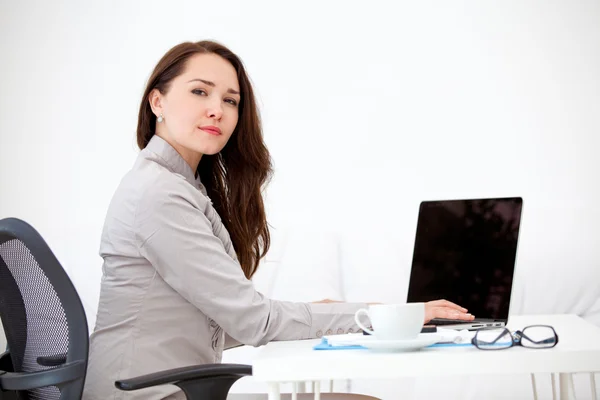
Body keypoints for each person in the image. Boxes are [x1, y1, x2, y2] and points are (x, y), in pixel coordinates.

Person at [82, 40, 474, 400]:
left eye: (231, 100)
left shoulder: (178, 186)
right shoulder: (159, 193)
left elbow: (213, 322)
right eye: (199, 91)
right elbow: (256, 322)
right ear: (157, 102)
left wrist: (326, 312)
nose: (217, 109)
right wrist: (380, 314)